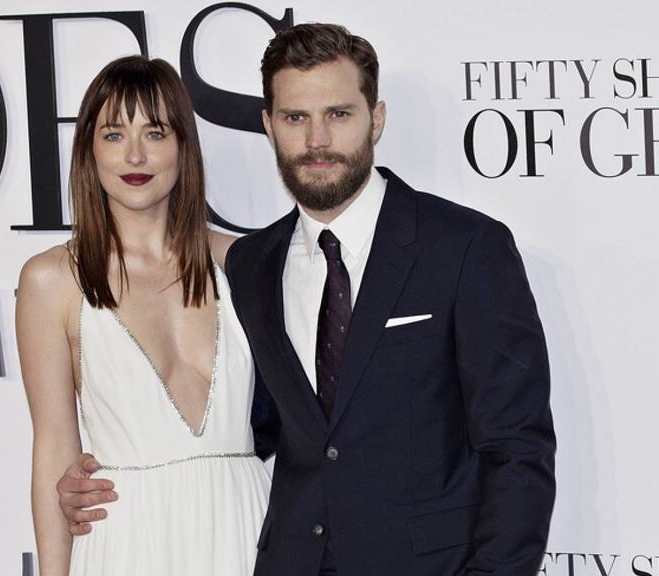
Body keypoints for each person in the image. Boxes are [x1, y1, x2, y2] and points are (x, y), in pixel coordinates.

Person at [58, 25, 556, 576]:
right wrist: (110, 472)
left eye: (338, 114)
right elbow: (251, 422)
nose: (317, 140)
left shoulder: (464, 248)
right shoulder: (253, 264)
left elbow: (517, 449)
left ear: (376, 118)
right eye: (295, 118)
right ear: (269, 126)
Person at [16, 55, 270, 576]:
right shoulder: (52, 280)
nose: (135, 154)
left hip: (246, 531)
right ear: (89, 150)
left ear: (183, 146)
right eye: (114, 134)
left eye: (155, 133)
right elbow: (55, 448)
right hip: (128, 542)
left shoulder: (242, 264)